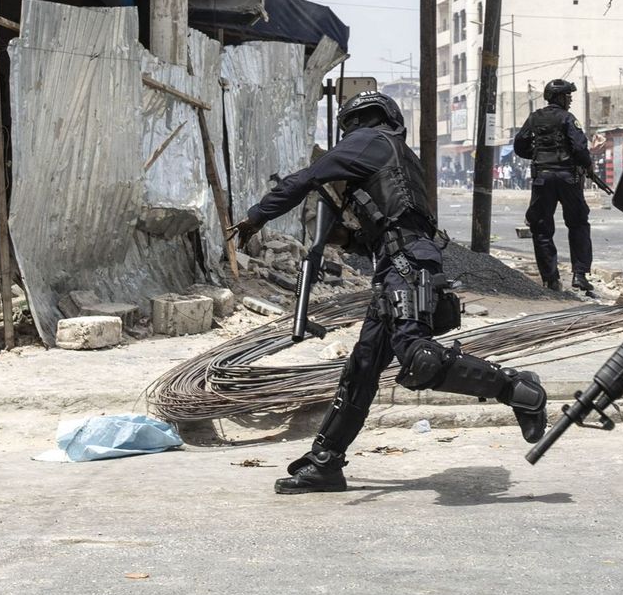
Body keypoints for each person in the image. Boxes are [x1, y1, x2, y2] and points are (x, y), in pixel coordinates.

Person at [234, 92, 548, 494]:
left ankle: (519, 389)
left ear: (368, 120)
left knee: (419, 359)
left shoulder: (370, 142)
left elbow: (305, 178)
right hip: (398, 264)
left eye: (352, 126)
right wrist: (347, 237)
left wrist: (256, 217)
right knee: (362, 369)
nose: (348, 136)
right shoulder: (393, 157)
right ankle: (325, 463)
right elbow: (387, 231)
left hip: (406, 265)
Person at [514, 78, 601, 293]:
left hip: (542, 177)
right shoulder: (568, 118)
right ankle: (579, 275)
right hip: (568, 177)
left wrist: (536, 155)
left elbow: (519, 145)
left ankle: (551, 280)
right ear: (559, 97)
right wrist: (588, 166)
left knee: (541, 229)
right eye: (567, 96)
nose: (570, 100)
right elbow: (580, 147)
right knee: (578, 224)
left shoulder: (534, 118)